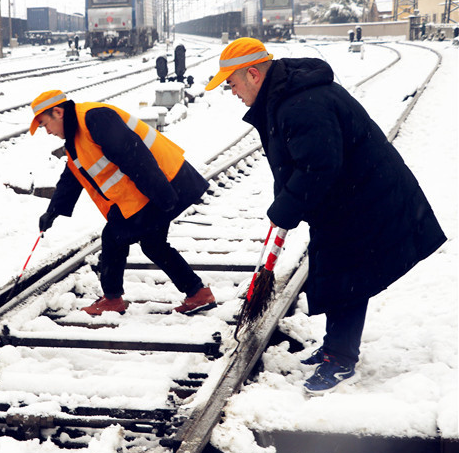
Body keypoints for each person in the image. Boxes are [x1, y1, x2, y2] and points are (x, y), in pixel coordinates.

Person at [205, 37, 446, 394]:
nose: (233, 92)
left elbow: (318, 167)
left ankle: (340, 359)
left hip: (364, 198)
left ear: (253, 74)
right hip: (348, 197)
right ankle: (336, 347)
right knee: (340, 272)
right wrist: (285, 203)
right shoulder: (286, 97)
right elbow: (299, 162)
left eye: (232, 84)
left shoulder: (300, 104)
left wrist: (286, 208)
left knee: (346, 278)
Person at [29, 90, 216, 316]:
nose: (48, 131)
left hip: (164, 182)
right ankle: (198, 293)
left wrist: (163, 195)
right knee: (152, 244)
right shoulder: (75, 137)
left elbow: (134, 156)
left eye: (45, 124)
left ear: (58, 112)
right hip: (153, 188)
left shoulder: (95, 118)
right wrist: (53, 211)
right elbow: (72, 176)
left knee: (114, 237)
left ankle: (112, 299)